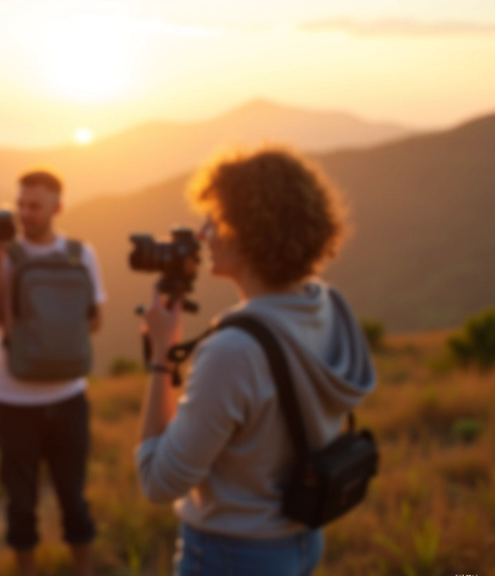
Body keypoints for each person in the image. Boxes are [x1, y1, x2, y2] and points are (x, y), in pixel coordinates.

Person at [136, 147, 376, 575]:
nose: (203, 234)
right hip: (302, 538)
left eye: (214, 221)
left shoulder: (233, 351)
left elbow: (158, 481)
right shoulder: (328, 305)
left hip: (232, 554)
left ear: (248, 233)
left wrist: (160, 357)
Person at [0, 170, 106, 576]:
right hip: (13, 399)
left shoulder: (83, 253)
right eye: (21, 205)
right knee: (21, 504)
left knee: (73, 499)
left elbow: (96, 320)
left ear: (57, 207)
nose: (25, 213)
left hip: (68, 397)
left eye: (35, 206)